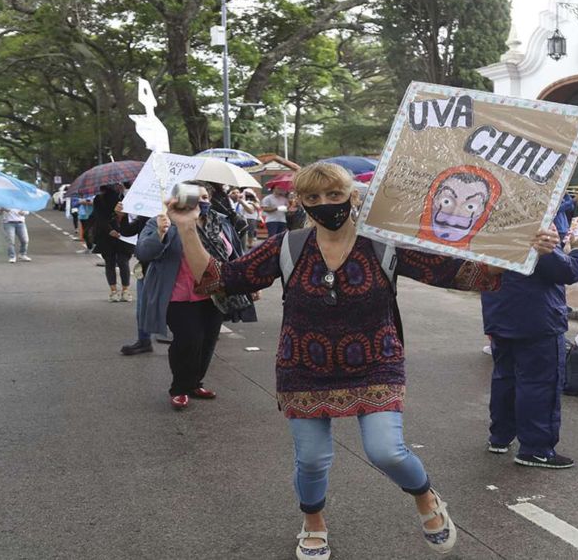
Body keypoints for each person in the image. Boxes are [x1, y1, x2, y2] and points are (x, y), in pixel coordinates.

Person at [168, 162, 556, 559]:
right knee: (313, 460)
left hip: (376, 362)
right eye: (313, 197)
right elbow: (219, 279)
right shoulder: (287, 246)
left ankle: (425, 496)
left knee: (386, 450)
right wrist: (185, 225)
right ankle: (313, 522)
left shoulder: (384, 243)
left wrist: (525, 247)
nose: (325, 204)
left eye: (334, 195)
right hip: (303, 368)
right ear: (301, 202)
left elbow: (463, 274)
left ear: (352, 197)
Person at [481, 229, 578, 467]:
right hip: (537, 315)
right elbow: (564, 271)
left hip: (499, 310)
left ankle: (500, 437)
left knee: (505, 377)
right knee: (541, 383)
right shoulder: (538, 217)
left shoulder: (498, 215)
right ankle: (536, 448)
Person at [137, 181, 250, 402]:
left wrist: (246, 284)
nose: (201, 202)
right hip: (178, 295)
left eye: (205, 197)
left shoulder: (221, 223)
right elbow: (143, 252)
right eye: (193, 197)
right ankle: (179, 388)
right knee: (189, 339)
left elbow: (234, 255)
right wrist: (160, 233)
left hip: (214, 294)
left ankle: (195, 383)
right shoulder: (162, 221)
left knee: (208, 340)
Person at [118, 212, 153, 356]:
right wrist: (122, 216)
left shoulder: (176, 214)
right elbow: (127, 231)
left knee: (173, 308)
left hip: (167, 269)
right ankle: (144, 340)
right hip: (145, 267)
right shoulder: (145, 215)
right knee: (142, 307)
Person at [93, 185, 133, 302]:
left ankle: (114, 292)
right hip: (123, 233)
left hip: (107, 234)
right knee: (122, 261)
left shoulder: (99, 198)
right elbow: (132, 216)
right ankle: (125, 291)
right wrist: (112, 229)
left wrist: (109, 230)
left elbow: (99, 218)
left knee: (111, 263)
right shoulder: (126, 197)